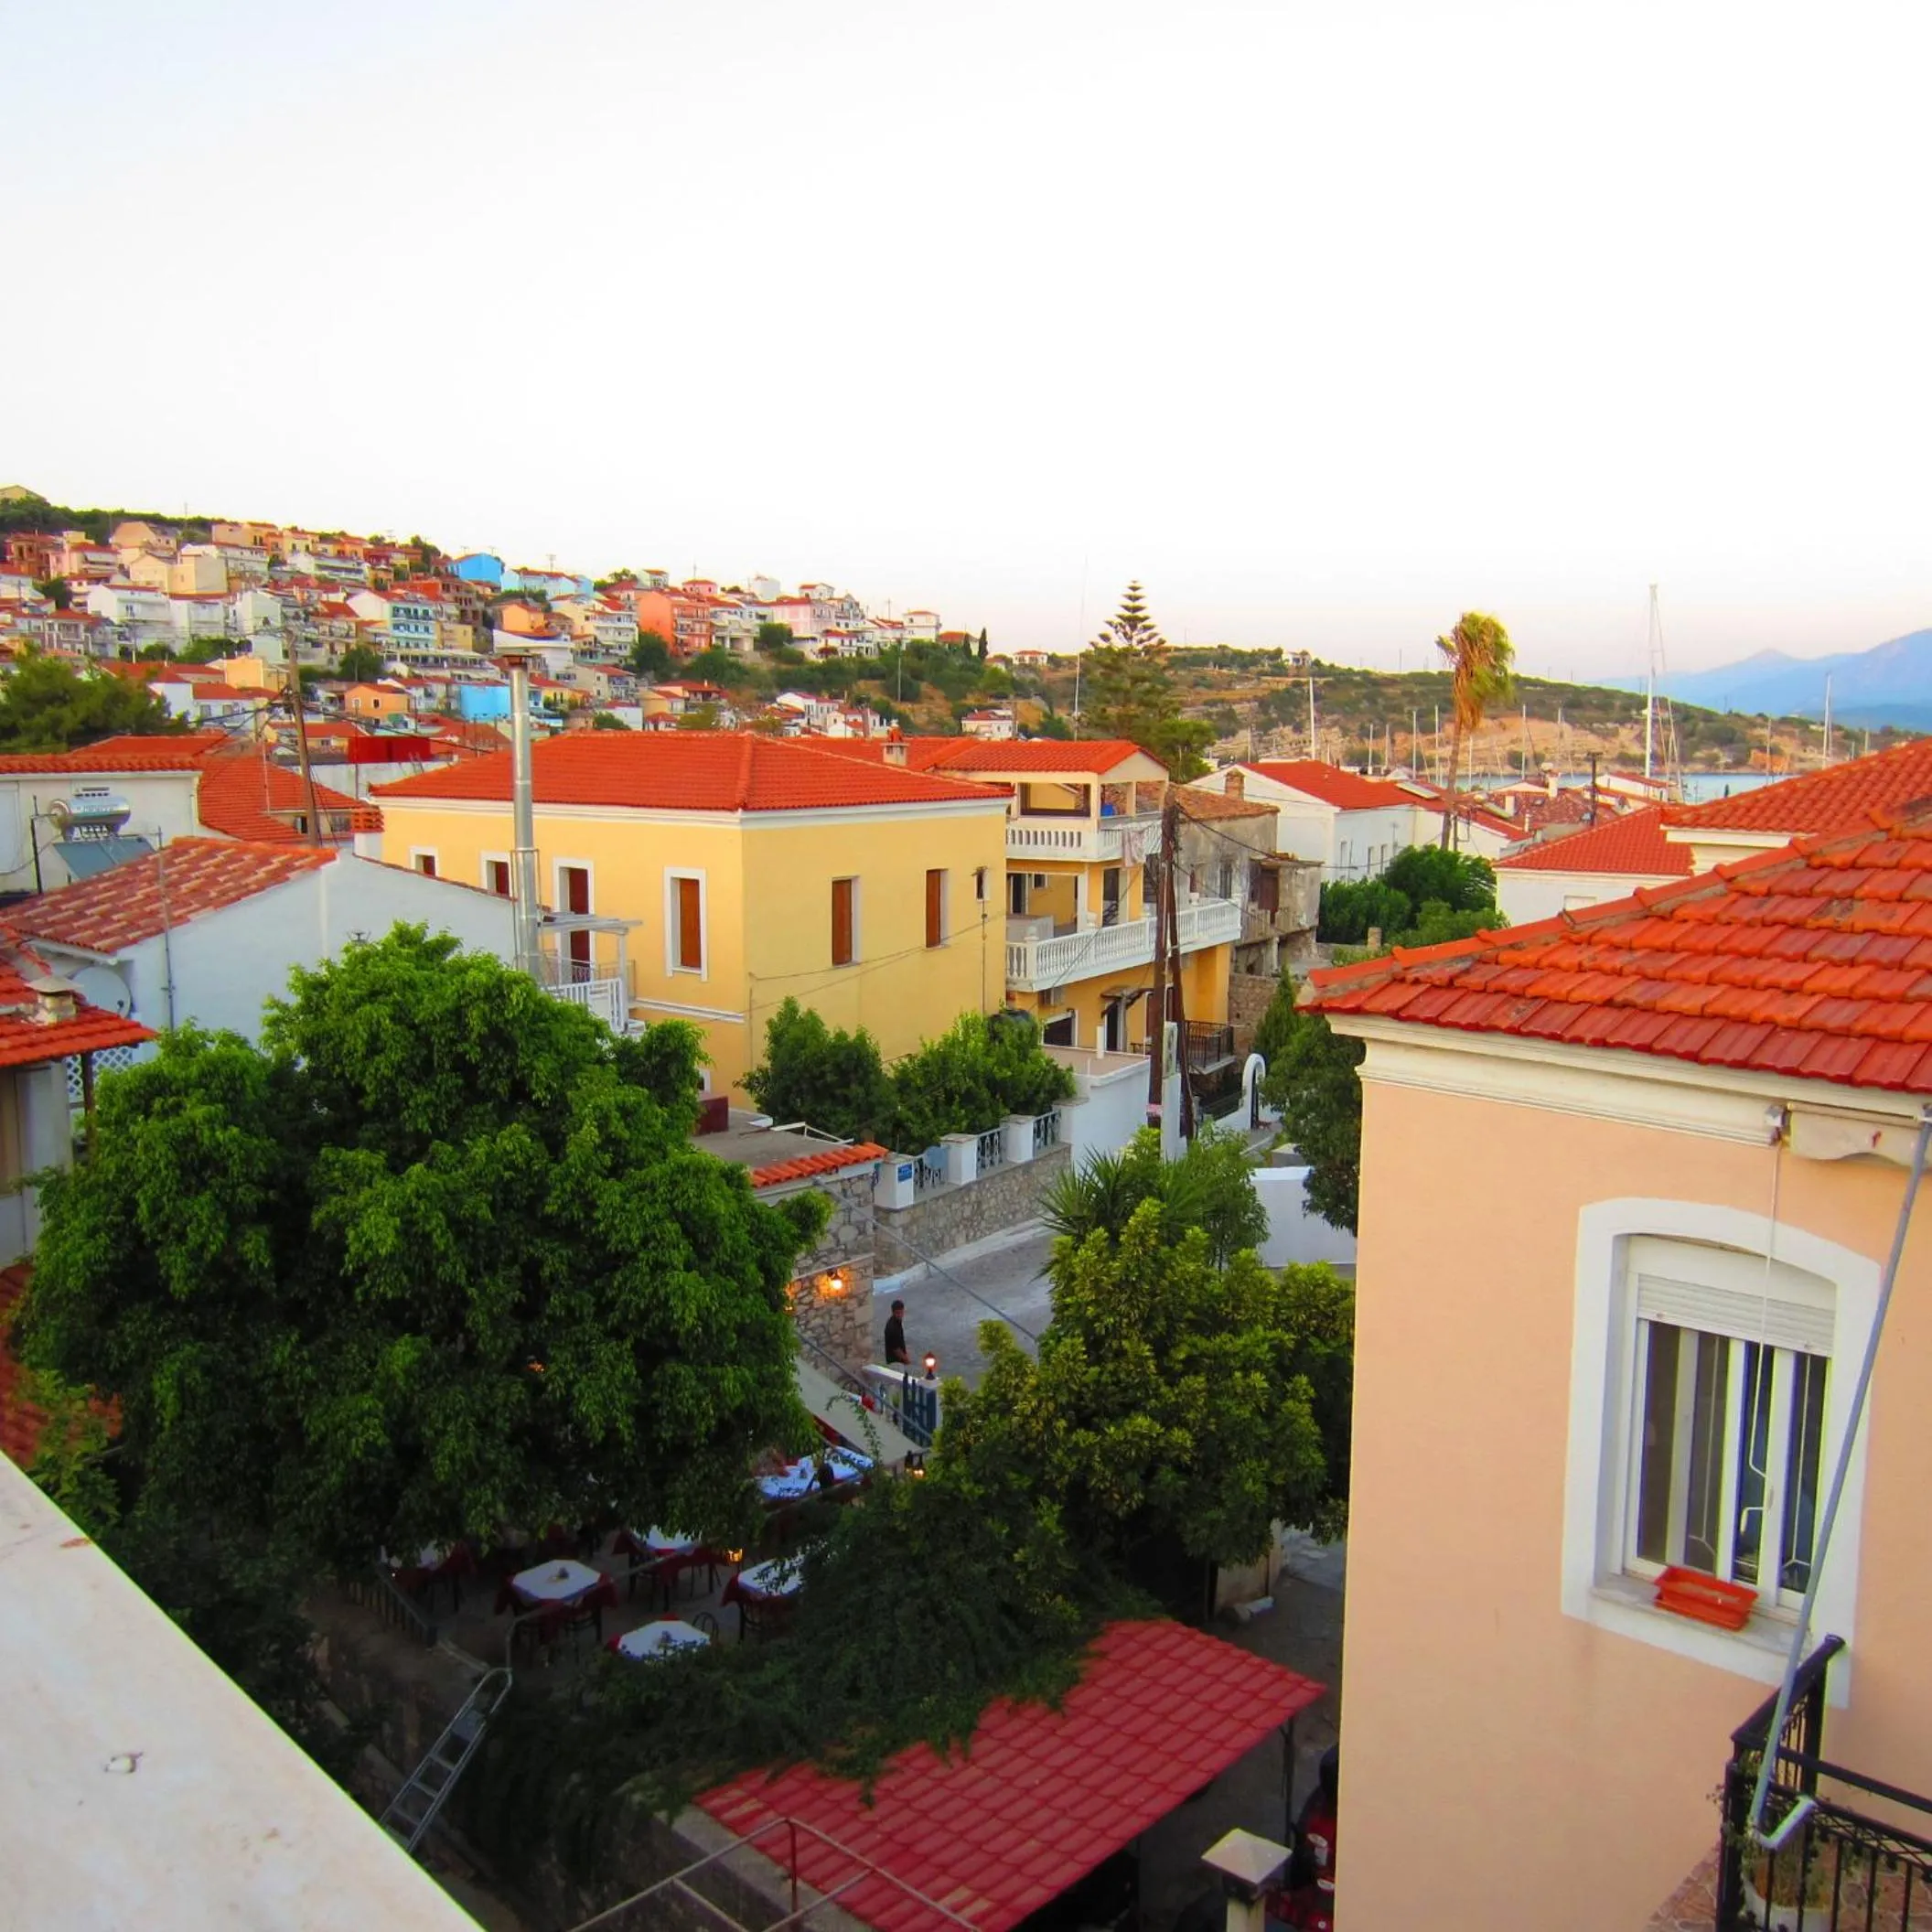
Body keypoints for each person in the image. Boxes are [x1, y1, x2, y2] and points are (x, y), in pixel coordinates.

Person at [882, 1298, 909, 1365]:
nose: (900, 1315)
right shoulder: (892, 1328)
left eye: (901, 1312)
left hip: (896, 1359)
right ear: (893, 1312)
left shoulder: (896, 1322)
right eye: (897, 1313)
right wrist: (906, 1359)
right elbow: (896, 1349)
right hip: (895, 1361)